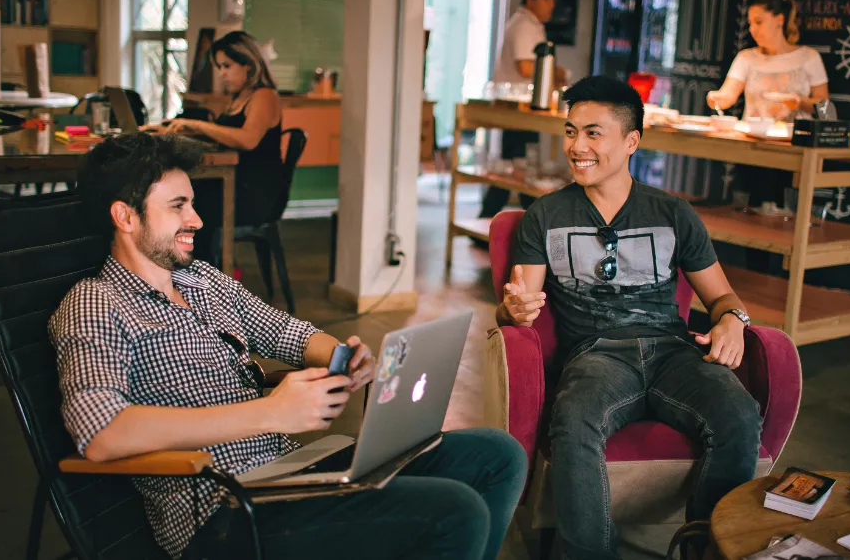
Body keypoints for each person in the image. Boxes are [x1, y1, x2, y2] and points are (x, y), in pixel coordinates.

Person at [49, 132, 528, 560]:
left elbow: (286, 332)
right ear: (124, 216)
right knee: (454, 511)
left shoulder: (200, 281)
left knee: (496, 454)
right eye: (177, 206)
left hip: (289, 475)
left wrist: (342, 358)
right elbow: (101, 433)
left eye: (191, 203)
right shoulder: (96, 303)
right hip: (223, 513)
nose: (195, 218)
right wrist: (271, 414)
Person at [496, 76, 761, 560]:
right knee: (574, 420)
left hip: (674, 352)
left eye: (593, 133)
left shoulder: (673, 213)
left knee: (738, 415)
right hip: (596, 355)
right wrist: (511, 309)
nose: (577, 147)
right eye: (571, 132)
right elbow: (521, 301)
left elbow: (722, 296)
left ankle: (706, 549)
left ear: (631, 141)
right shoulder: (545, 214)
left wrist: (733, 320)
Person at [142, 31, 286, 265]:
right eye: (219, 67)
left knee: (186, 203)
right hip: (237, 183)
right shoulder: (238, 98)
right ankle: (184, 269)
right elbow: (224, 136)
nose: (222, 74)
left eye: (227, 66)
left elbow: (247, 139)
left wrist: (197, 125)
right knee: (179, 197)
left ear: (248, 65)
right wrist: (174, 129)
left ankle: (198, 273)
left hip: (254, 193)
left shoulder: (265, 96)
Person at [706, 0, 829, 211]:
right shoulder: (746, 58)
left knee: (785, 214)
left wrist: (799, 102)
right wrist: (715, 98)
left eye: (759, 22)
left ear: (779, 20)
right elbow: (728, 96)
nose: (752, 29)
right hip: (753, 146)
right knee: (749, 214)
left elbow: (824, 106)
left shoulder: (809, 57)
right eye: (751, 23)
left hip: (793, 148)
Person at [479, 0, 568, 221]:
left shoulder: (529, 24)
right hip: (520, 111)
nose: (552, 5)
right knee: (521, 171)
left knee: (518, 171)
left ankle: (494, 224)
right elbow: (526, 65)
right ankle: (528, 228)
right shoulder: (524, 25)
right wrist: (557, 73)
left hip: (524, 111)